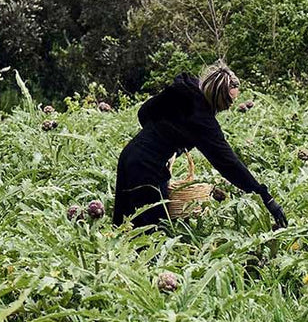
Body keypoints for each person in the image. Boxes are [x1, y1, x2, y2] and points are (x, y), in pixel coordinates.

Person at [113, 63, 287, 229]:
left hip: (131, 156)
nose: (230, 106)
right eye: (229, 101)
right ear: (218, 96)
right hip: (146, 169)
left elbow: (144, 112)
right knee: (150, 234)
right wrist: (265, 197)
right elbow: (229, 164)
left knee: (125, 226)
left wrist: (169, 137)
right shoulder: (202, 119)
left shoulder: (185, 91)